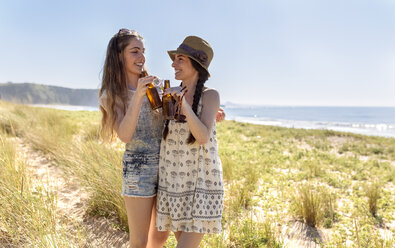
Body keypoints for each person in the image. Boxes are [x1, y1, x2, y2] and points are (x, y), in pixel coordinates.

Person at [98, 28, 168, 248]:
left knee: (160, 236)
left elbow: (170, 118)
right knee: (138, 240)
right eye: (135, 51)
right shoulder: (112, 94)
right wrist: (137, 95)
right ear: (120, 55)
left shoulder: (154, 85)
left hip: (167, 164)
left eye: (143, 51)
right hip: (138, 169)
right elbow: (125, 135)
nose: (142, 57)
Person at [156, 36, 224, 247]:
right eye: (174, 60)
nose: (173, 64)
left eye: (180, 59)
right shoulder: (168, 95)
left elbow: (202, 136)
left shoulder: (210, 95)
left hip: (201, 186)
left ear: (196, 64)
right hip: (174, 185)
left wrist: (183, 103)